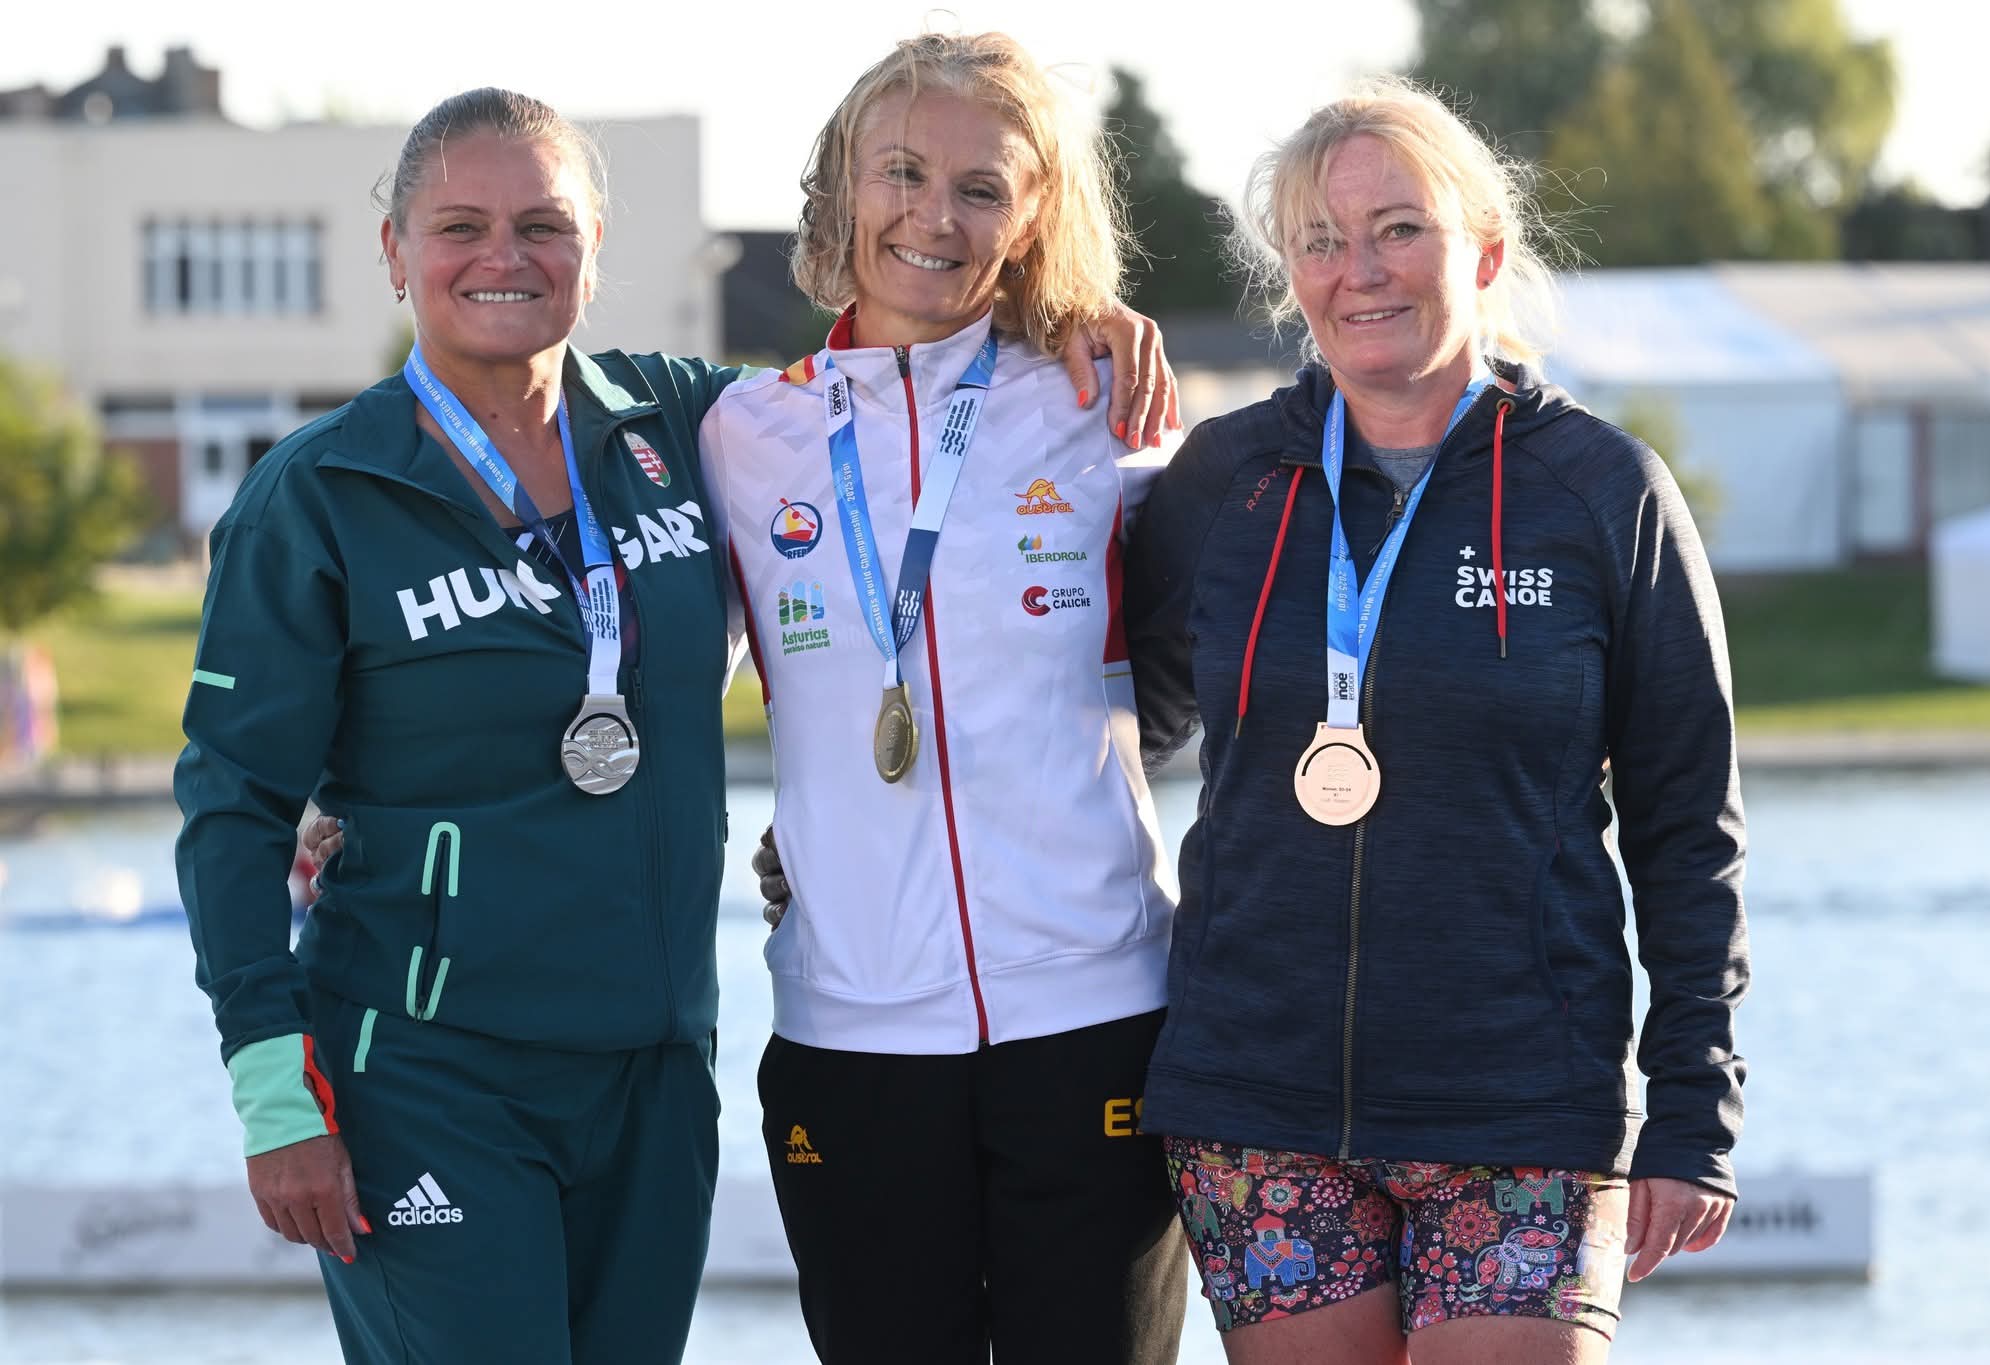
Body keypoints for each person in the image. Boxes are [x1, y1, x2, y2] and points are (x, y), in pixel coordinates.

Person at [180, 86, 1169, 1365]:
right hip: (426, 1070)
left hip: (651, 1063)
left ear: (594, 249)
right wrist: (272, 1094)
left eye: (543, 223)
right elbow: (229, 809)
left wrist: (1067, 313)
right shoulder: (317, 493)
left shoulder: (687, 424)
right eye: (458, 226)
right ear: (393, 251)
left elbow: (896, 382)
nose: (504, 257)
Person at [1122, 80, 1750, 1363]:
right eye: (1317, 240)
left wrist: (1693, 1109)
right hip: (1260, 1103)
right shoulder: (1223, 483)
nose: (1357, 272)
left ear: (1484, 250)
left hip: (1521, 1104)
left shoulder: (1599, 493)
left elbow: (1688, 827)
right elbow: (1104, 726)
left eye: (1397, 228)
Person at [700, 33, 1186, 1365]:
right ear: (842, 187)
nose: (934, 213)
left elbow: (1219, 672)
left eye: (982, 188)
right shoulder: (741, 436)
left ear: (1033, 218)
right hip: (852, 1031)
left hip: (1096, 1020)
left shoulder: (1105, 405)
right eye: (901, 171)